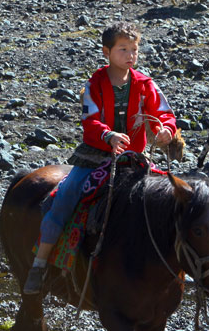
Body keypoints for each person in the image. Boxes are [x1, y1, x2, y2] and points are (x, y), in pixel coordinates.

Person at [23, 21, 178, 295]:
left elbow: (162, 113)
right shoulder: (94, 84)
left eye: (134, 49)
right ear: (106, 52)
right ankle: (39, 263)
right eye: (123, 49)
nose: (130, 55)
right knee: (67, 195)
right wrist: (108, 136)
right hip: (95, 154)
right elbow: (90, 121)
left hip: (134, 156)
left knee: (166, 198)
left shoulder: (145, 84)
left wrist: (165, 130)